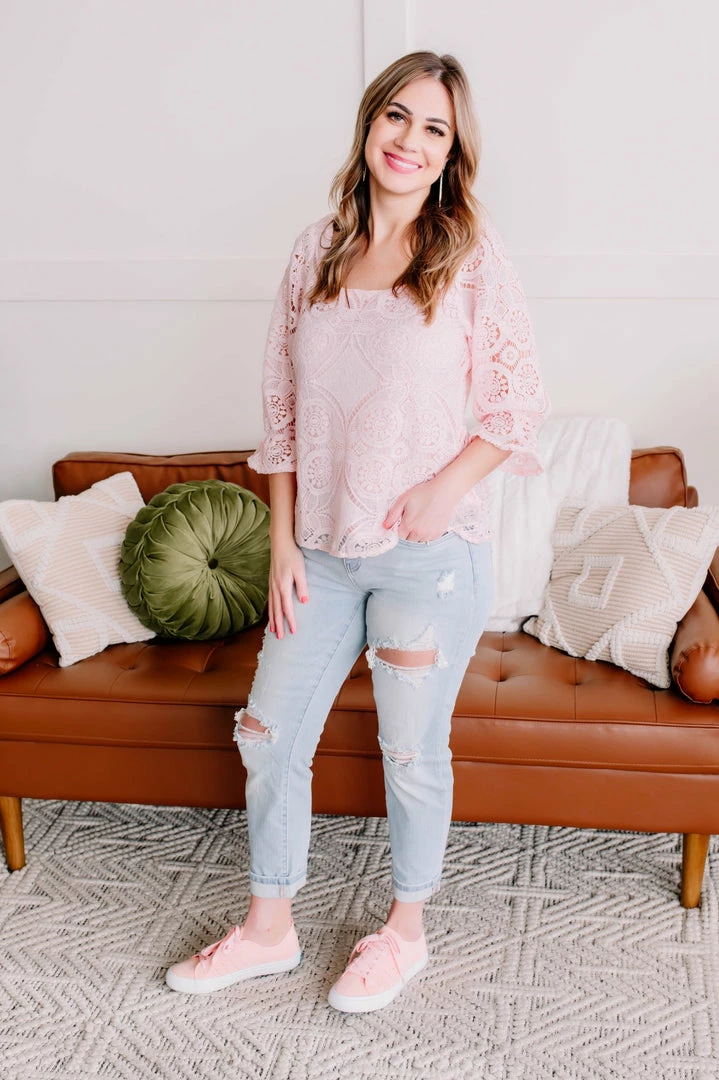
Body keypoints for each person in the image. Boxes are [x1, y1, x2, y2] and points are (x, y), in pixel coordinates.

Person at [166, 50, 549, 1012]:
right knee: (266, 735)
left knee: (411, 754)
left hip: (430, 559)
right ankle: (269, 929)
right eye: (396, 116)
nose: (409, 140)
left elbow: (517, 405)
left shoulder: (469, 254)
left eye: (434, 128)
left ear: (452, 152)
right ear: (369, 123)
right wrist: (282, 544)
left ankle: (404, 932)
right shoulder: (316, 251)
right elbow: (282, 413)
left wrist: (441, 490)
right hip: (321, 557)